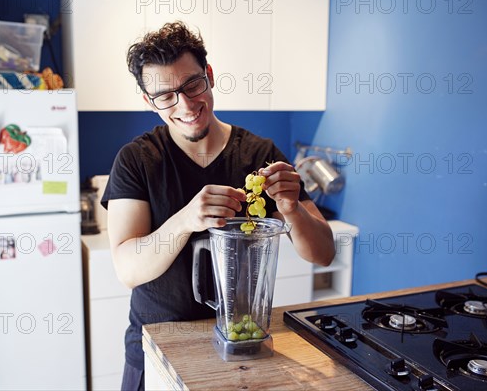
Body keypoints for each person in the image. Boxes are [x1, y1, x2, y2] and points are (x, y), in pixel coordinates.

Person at [101, 21, 336, 391]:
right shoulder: (136, 160)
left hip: (242, 341)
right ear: (149, 101)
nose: (186, 105)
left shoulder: (259, 154)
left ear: (209, 75)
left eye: (193, 84)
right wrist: (185, 220)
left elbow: (323, 253)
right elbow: (127, 269)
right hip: (159, 346)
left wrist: (291, 209)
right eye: (165, 96)